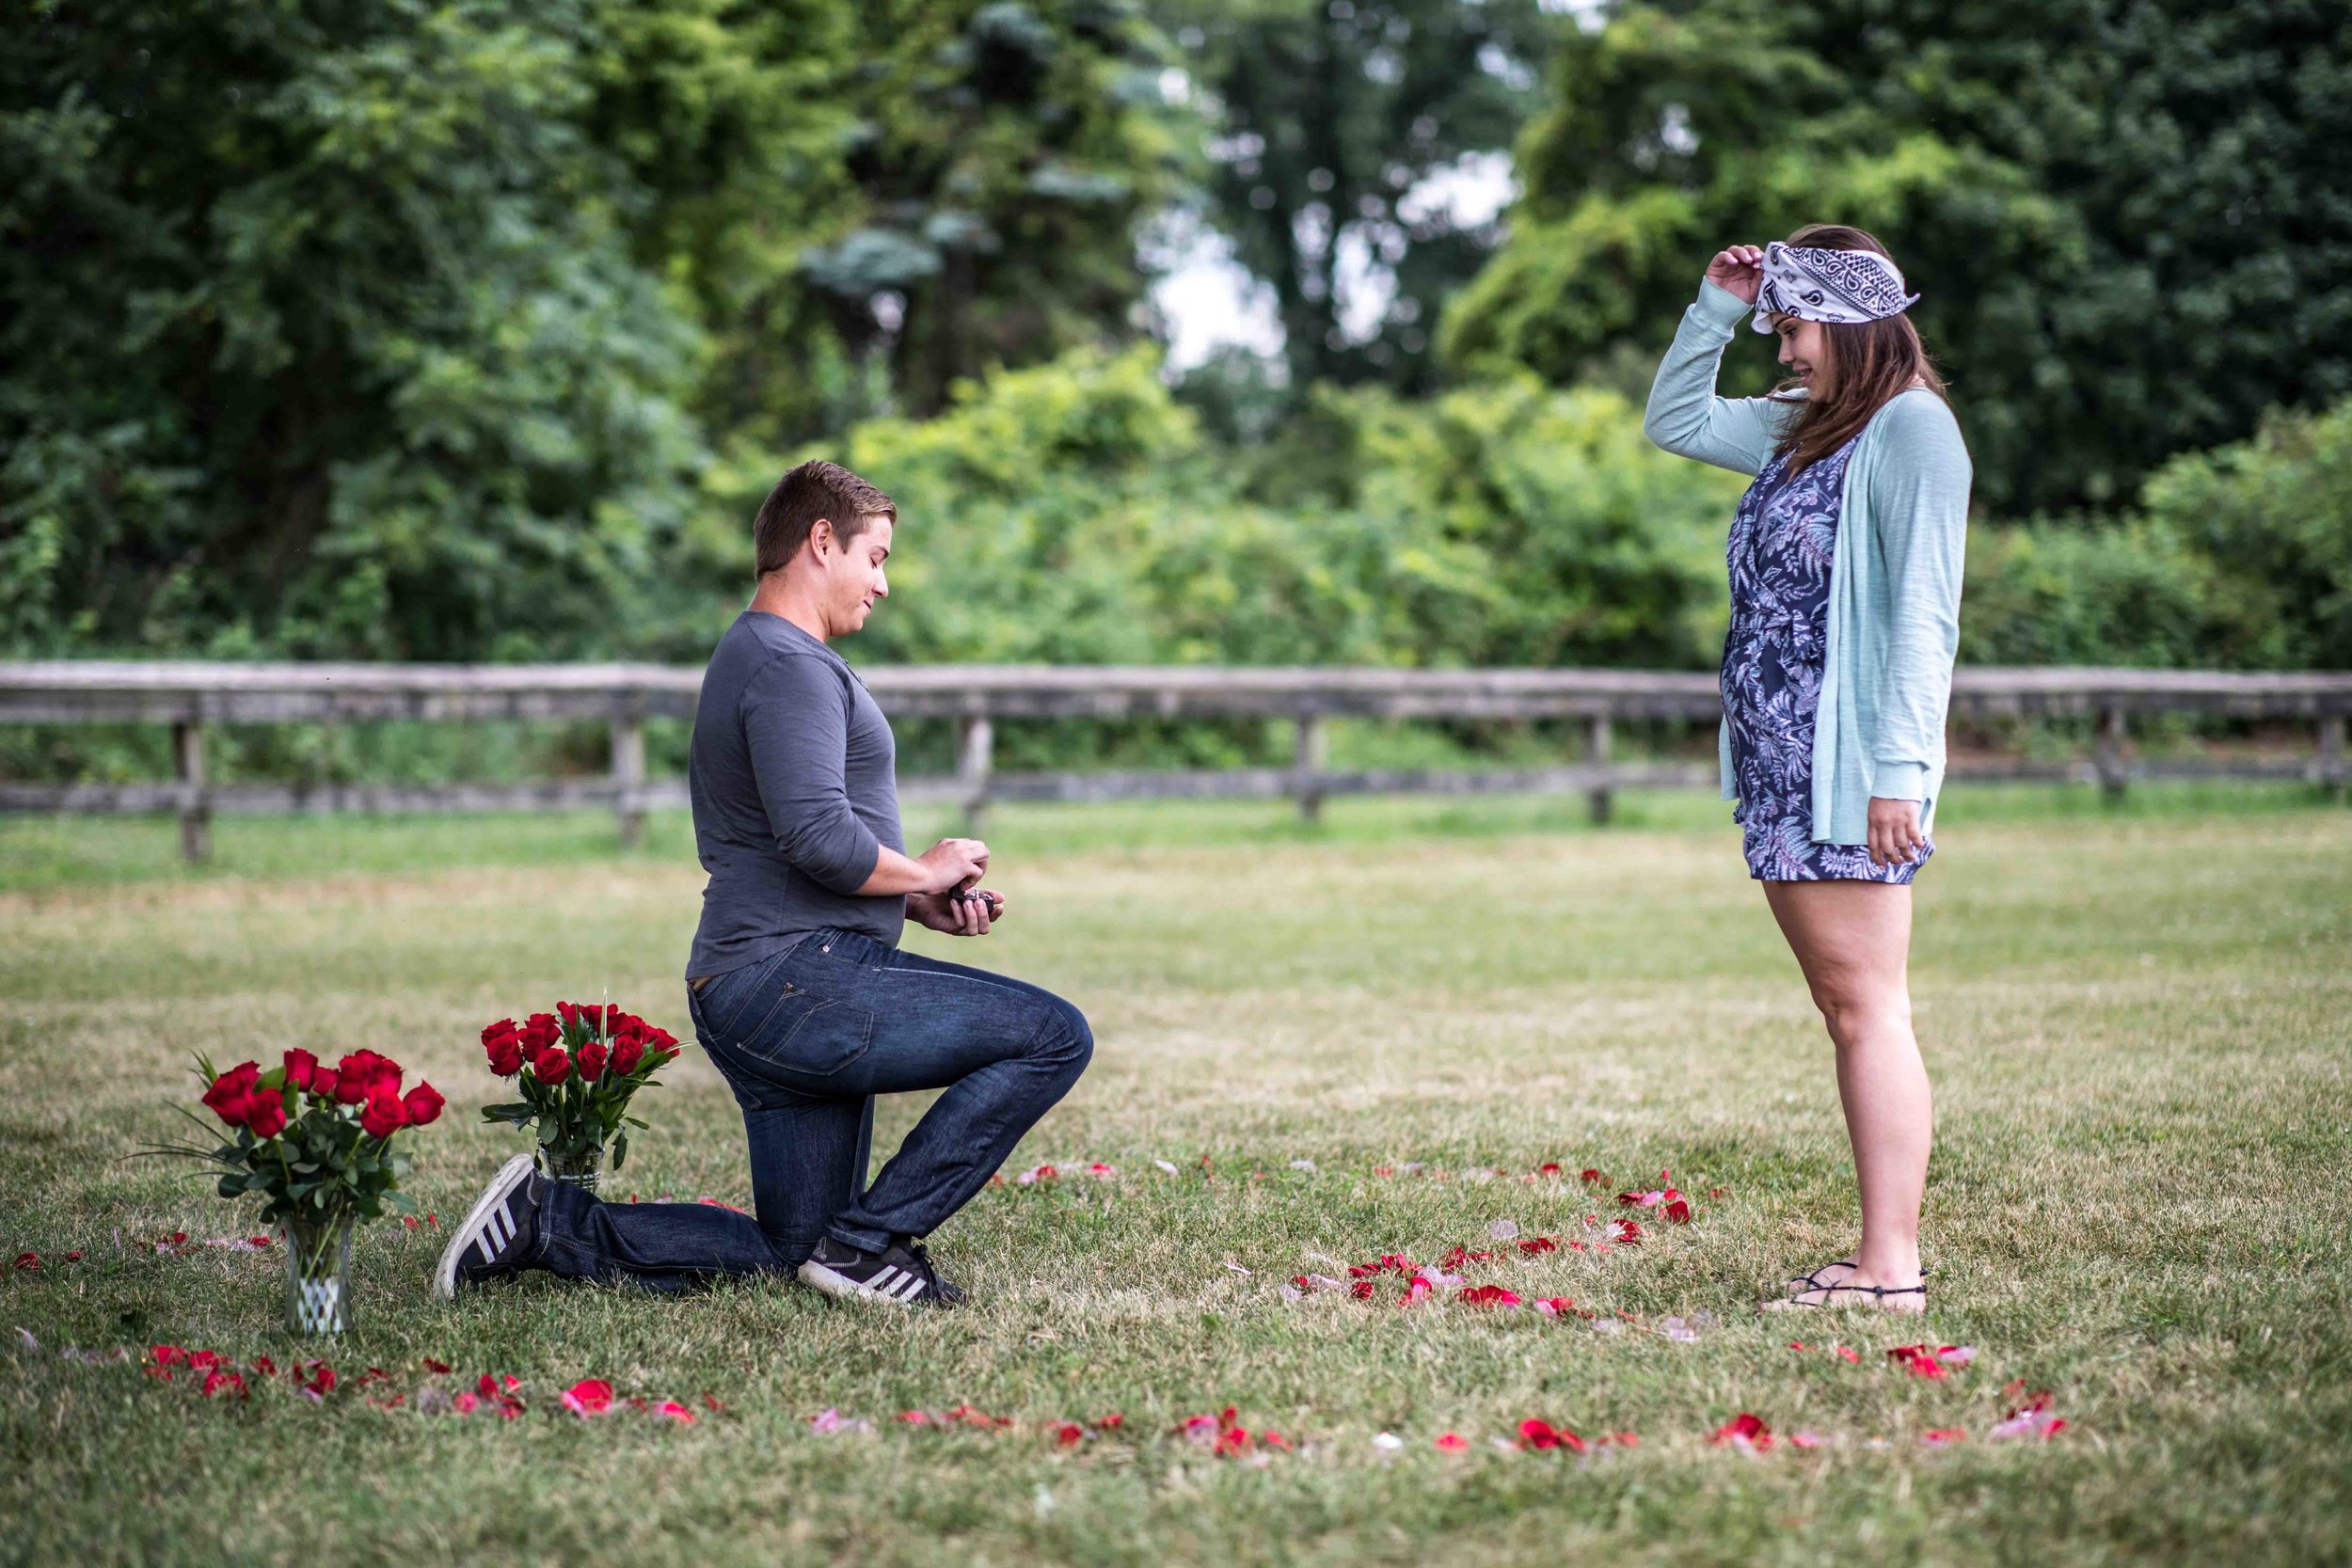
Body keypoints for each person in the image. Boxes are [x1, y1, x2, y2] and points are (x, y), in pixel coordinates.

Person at [436, 460, 1094, 1307]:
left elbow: (809, 842)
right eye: (877, 557)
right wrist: (924, 865)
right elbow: (816, 835)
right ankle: (873, 1244)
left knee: (791, 1246)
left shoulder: (763, 655)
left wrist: (908, 895)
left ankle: (545, 1222)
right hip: (797, 979)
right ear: (822, 541)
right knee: (1053, 1035)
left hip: (770, 980)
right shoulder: (789, 663)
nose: (884, 584)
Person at [1644, 227, 1971, 1311]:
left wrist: (1899, 773)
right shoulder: (1809, 429)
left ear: (1842, 321)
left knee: (1866, 1003)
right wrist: (1714, 307)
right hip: (1786, 765)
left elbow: (1924, 613)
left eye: (1790, 327)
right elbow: (1675, 420)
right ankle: (1883, 1260)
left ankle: (1888, 1268)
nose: (1781, 349)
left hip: (1847, 771)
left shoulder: (1911, 431)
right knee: (1847, 1005)